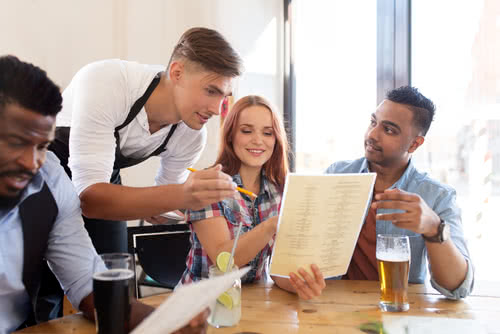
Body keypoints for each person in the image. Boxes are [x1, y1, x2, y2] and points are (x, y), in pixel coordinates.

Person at [0, 55, 208, 333]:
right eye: (16, 143)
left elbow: (87, 286)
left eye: (41, 146)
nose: (31, 162)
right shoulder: (107, 83)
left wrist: (165, 322)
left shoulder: (52, 182)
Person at [49, 27, 242, 254]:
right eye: (211, 91)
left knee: (113, 273)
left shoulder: (192, 135)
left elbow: (162, 202)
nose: (217, 110)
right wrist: (180, 194)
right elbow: (90, 199)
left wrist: (184, 204)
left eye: (223, 97)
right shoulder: (108, 82)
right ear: (177, 73)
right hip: (45, 176)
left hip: (102, 179)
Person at [326, 86, 473, 299]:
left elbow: (458, 287)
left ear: (414, 144)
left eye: (389, 130)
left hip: (400, 313)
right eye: (373, 122)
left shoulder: (437, 196)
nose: (372, 134)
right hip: (334, 307)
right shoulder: (336, 176)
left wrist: (433, 228)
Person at [179, 95, 326, 300]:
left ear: (276, 140)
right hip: (201, 304)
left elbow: (277, 270)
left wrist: (299, 283)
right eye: (246, 131)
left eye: (267, 133)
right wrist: (270, 226)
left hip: (252, 302)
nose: (258, 140)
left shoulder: (278, 191)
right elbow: (223, 262)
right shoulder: (207, 185)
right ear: (231, 135)